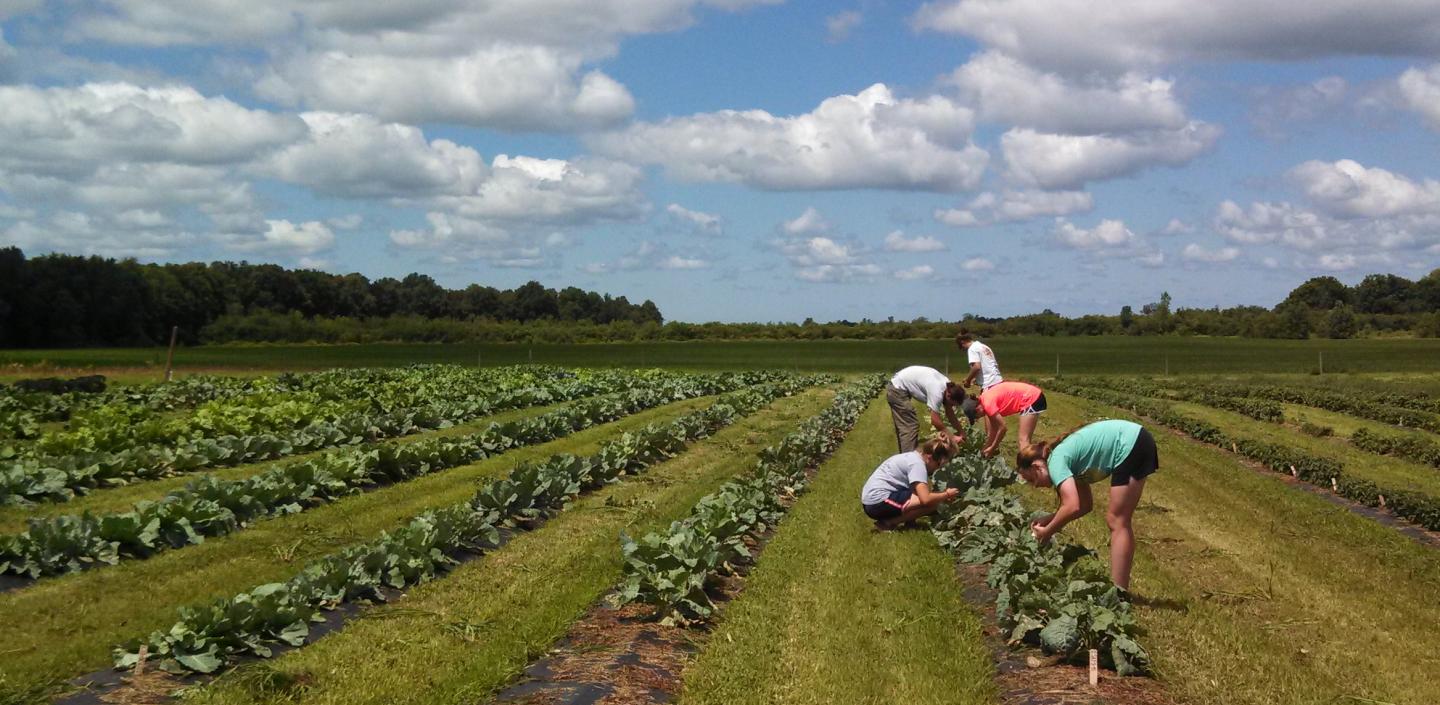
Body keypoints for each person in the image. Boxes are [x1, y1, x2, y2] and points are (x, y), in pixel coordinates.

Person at [1015, 420, 1159, 590]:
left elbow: (1072, 505)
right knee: (1118, 520)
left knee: (1118, 521)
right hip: (1136, 439)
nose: (1036, 486)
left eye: (1032, 479)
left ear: (1037, 466)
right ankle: (1119, 591)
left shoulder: (1056, 461)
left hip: (1130, 443)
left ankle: (1119, 593)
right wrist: (1050, 519)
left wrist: (1047, 532)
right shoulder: (1069, 462)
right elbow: (1084, 505)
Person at [860, 437, 960, 530]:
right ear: (929, 457)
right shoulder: (917, 465)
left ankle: (909, 522)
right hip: (877, 503)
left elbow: (914, 492)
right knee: (933, 503)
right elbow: (925, 499)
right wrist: (946, 494)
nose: (937, 468)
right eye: (938, 464)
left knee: (929, 497)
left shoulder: (913, 457)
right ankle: (887, 523)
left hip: (872, 501)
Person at [886, 365, 967, 453]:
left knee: (905, 426)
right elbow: (935, 421)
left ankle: (905, 455)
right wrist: (951, 437)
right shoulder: (937, 392)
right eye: (951, 404)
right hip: (897, 388)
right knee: (910, 426)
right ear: (948, 396)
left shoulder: (949, 388)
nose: (951, 406)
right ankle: (908, 460)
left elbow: (950, 413)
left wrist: (961, 432)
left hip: (900, 383)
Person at [962, 380, 1046, 457]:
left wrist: (993, 448)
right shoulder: (984, 399)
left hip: (1031, 397)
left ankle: (1027, 468)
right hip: (1031, 395)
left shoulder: (988, 404)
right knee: (1024, 440)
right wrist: (985, 449)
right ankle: (1031, 463)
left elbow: (1003, 428)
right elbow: (994, 430)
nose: (978, 418)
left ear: (977, 409)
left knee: (1023, 440)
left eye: (976, 417)